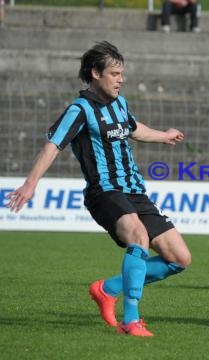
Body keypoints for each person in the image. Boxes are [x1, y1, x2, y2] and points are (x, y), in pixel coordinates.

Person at [5, 41, 191, 337]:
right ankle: (131, 321)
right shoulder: (79, 110)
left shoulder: (120, 103)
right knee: (138, 237)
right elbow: (53, 146)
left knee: (179, 259)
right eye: (115, 74)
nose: (121, 79)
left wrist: (163, 135)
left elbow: (133, 128)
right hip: (103, 192)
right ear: (95, 73)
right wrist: (30, 184)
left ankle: (108, 289)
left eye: (122, 73)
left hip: (134, 191)